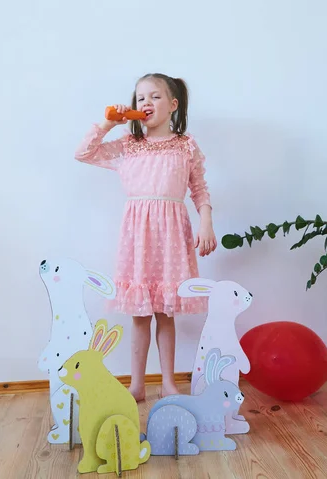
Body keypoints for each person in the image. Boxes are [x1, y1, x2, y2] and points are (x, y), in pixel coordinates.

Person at [74, 73, 216, 401]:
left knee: (166, 313)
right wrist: (109, 123)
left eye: (154, 97)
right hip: (138, 235)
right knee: (141, 315)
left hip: (171, 233)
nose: (146, 103)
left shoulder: (186, 145)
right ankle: (136, 384)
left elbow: (199, 188)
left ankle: (168, 382)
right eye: (140, 98)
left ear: (173, 105)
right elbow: (83, 153)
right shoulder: (128, 145)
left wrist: (205, 221)